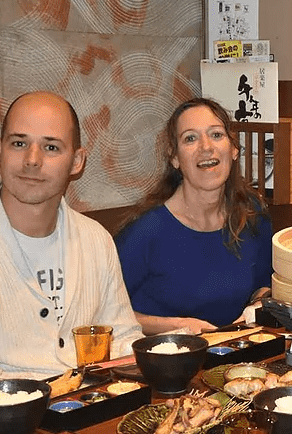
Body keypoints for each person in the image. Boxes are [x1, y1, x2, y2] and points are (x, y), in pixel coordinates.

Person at [0, 91, 144, 385]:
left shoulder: (96, 240)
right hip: (9, 424)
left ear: (77, 161)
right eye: (19, 143)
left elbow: (123, 339)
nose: (32, 160)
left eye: (51, 147)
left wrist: (163, 357)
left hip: (94, 409)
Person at [116, 98, 272, 335]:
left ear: (234, 150)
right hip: (164, 363)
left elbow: (264, 283)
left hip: (235, 360)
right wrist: (179, 326)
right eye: (190, 138)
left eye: (217, 135)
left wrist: (260, 303)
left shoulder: (251, 212)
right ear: (174, 158)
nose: (206, 147)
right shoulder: (145, 232)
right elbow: (106, 315)